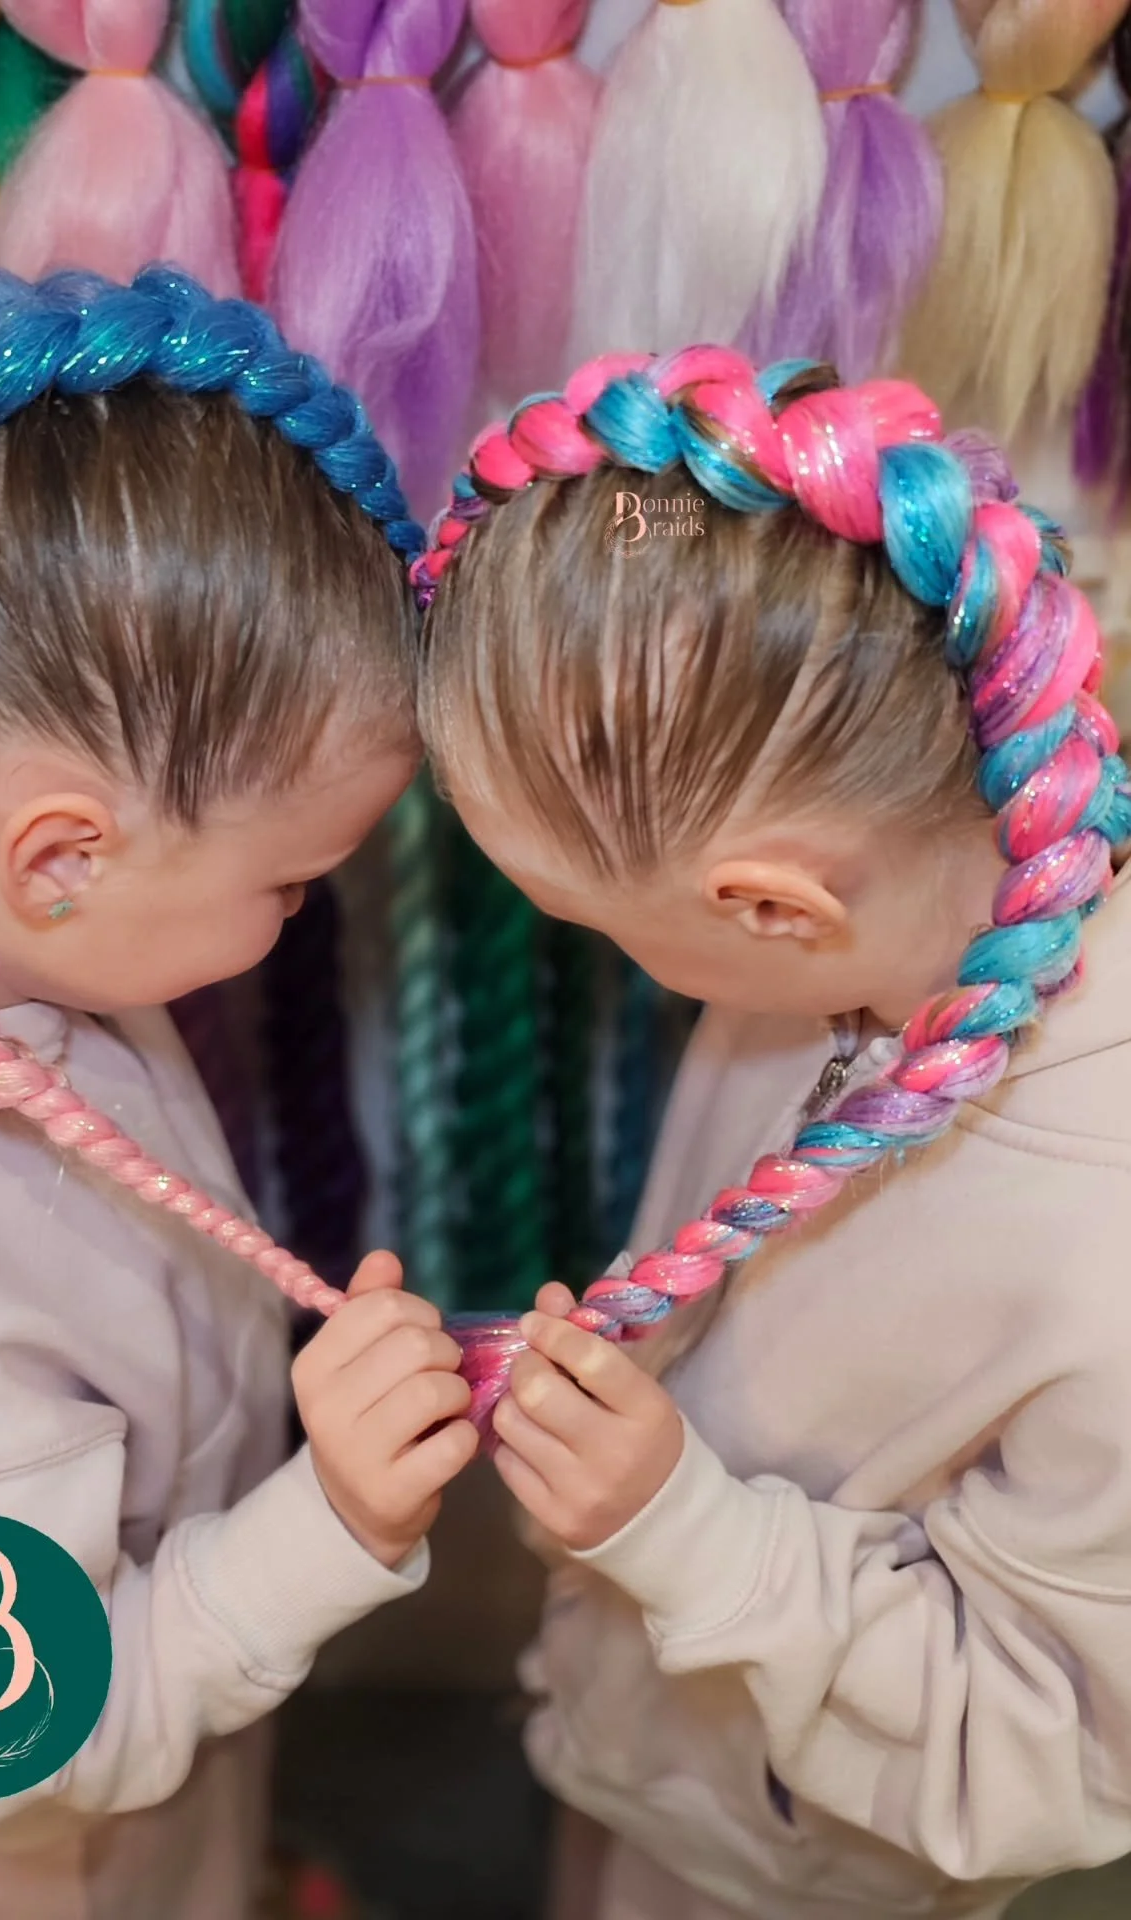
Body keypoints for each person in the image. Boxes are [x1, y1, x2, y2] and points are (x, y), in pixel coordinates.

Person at [0, 265, 477, 1920]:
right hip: (42, 1840)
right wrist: (329, 1518)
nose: (297, 922)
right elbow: (40, 1741)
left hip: (157, 1625)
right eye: (292, 881)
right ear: (64, 855)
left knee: (201, 1828)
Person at [412, 347, 1131, 1920]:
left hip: (807, 1869)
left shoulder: (1101, 1249)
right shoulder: (837, 965)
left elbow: (1050, 1760)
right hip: (647, 1755)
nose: (632, 977)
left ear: (768, 907)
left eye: (606, 935)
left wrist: (683, 1535)